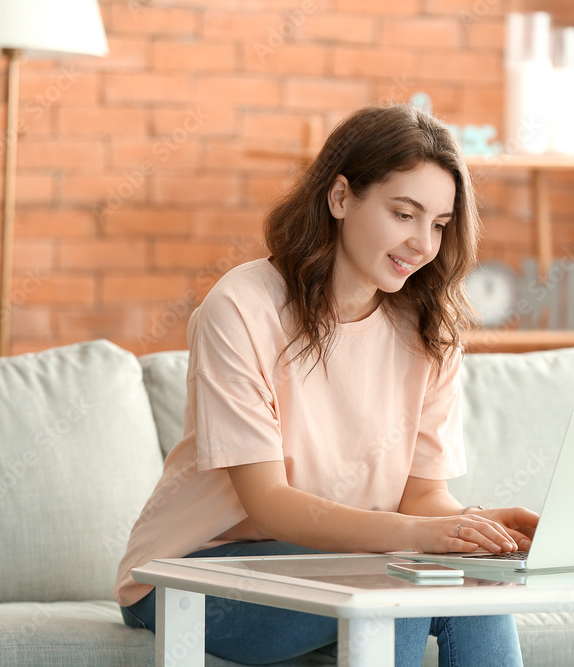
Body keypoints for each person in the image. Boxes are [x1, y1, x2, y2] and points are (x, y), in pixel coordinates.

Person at [114, 104, 540, 666]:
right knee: (397, 587)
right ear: (340, 198)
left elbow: (421, 495)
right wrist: (418, 537)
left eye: (438, 224)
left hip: (348, 560)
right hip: (192, 572)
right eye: (403, 214)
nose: (422, 244)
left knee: (477, 587)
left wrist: (466, 534)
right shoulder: (242, 308)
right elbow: (267, 505)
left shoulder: (430, 328)